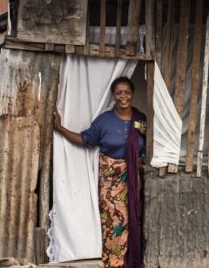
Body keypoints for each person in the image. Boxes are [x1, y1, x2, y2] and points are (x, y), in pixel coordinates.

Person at [53, 76, 147, 268]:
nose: (123, 96)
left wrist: (144, 152)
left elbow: (150, 145)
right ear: (113, 96)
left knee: (134, 219)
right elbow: (85, 139)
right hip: (111, 183)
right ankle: (114, 263)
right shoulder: (104, 121)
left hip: (134, 181)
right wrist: (60, 129)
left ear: (132, 95)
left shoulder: (141, 120)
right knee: (115, 222)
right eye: (119, 93)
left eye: (127, 92)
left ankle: (130, 260)